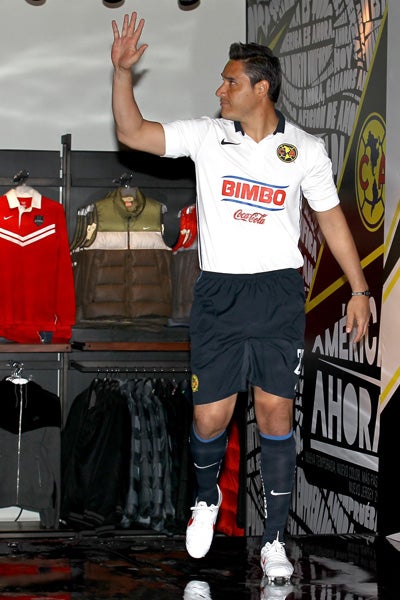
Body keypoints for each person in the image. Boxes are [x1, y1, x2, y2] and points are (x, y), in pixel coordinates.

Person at [110, 12, 371, 584]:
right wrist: (122, 74)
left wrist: (358, 288)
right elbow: (133, 133)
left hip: (277, 292)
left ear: (261, 88)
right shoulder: (208, 136)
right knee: (211, 418)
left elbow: (330, 219)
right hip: (220, 293)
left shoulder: (305, 149)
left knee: (276, 414)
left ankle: (274, 541)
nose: (219, 90)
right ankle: (205, 500)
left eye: (230, 81)